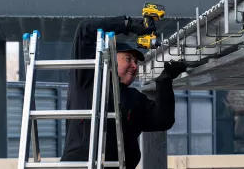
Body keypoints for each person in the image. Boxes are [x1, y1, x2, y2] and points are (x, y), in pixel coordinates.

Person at [60, 15, 186, 169]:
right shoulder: (86, 80)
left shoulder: (134, 97)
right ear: (110, 58)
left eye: (136, 62)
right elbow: (85, 30)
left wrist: (164, 82)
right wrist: (128, 24)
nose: (134, 66)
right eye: (128, 59)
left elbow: (162, 120)